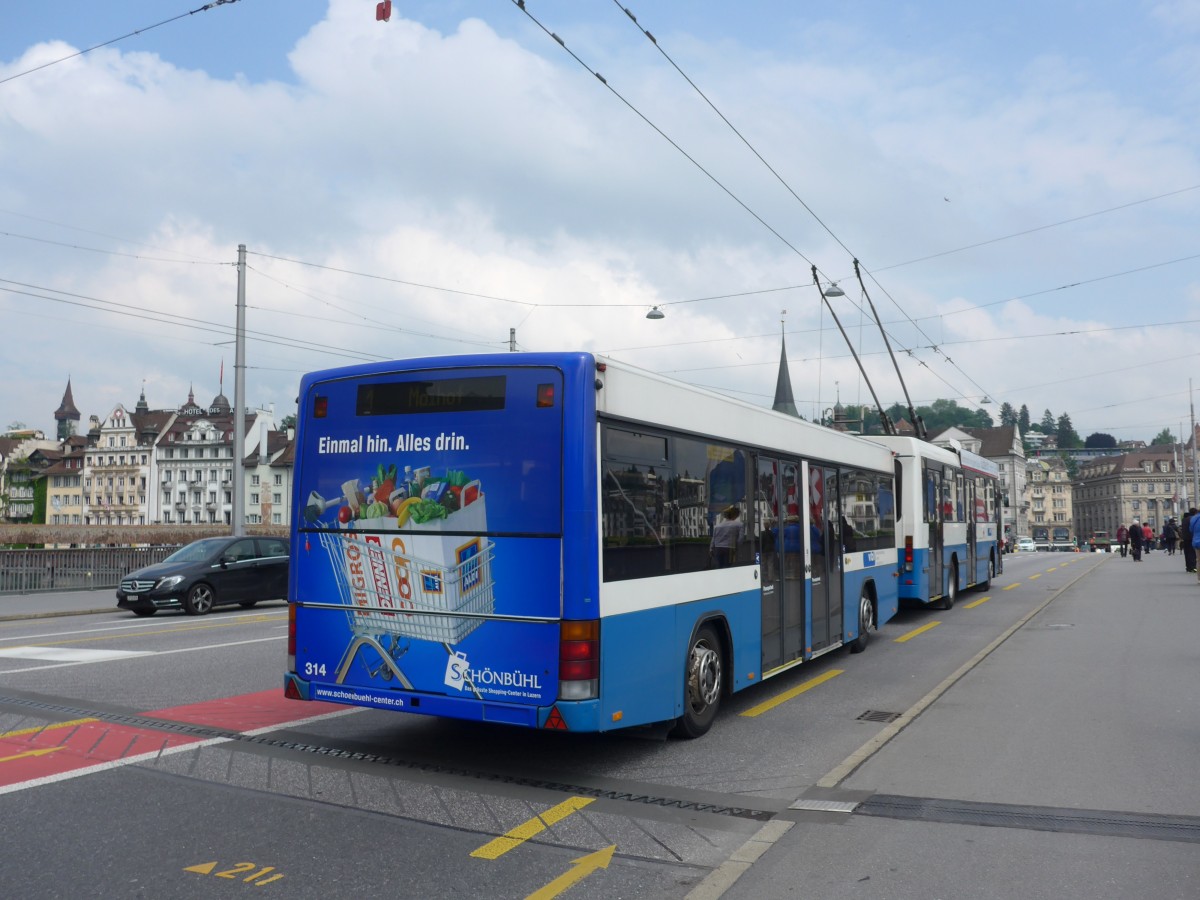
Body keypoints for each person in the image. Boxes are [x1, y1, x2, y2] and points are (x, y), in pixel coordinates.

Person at [1184, 508, 1198, 574]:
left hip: (1185, 538)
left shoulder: (1185, 519)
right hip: (1192, 538)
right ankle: (1193, 567)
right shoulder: (1194, 519)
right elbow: (1192, 529)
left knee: (1187, 553)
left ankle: (1188, 567)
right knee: (1193, 553)